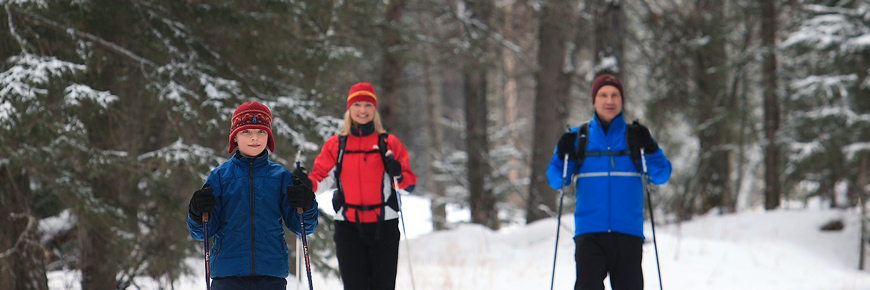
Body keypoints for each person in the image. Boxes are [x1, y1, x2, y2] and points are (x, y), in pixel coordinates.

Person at [547, 74, 672, 290]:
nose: (610, 101)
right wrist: (561, 154)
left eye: (615, 95)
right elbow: (556, 180)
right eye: (603, 95)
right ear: (594, 101)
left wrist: (650, 149)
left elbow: (661, 175)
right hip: (589, 234)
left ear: (622, 100)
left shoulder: (635, 137)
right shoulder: (579, 138)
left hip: (628, 234)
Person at [187, 101, 319, 290]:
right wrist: (197, 213)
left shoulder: (281, 177)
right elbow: (202, 232)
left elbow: (302, 227)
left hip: (270, 273)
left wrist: (307, 205)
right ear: (235, 137)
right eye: (247, 131)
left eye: (261, 132)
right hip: (228, 274)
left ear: (269, 137)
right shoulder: (220, 177)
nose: (254, 138)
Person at [308, 82, 417, 290]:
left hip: (384, 226)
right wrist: (305, 184)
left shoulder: (389, 143)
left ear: (374, 110)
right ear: (350, 109)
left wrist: (398, 173)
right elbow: (320, 179)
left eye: (368, 105)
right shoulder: (336, 144)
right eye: (357, 104)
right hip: (348, 228)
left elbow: (408, 184)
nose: (363, 110)